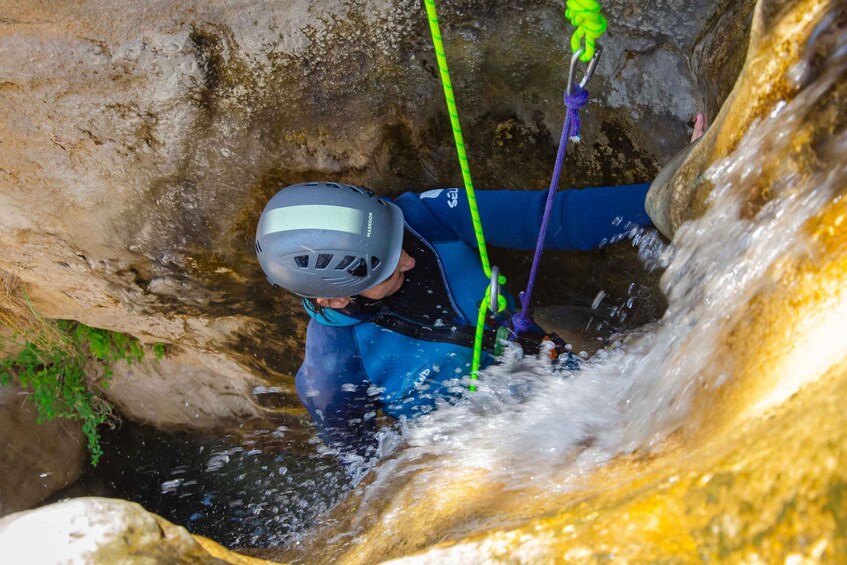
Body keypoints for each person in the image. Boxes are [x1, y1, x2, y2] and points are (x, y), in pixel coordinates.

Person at [255, 179, 654, 462]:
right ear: (336, 299)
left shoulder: (424, 218)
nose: (410, 260)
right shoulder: (330, 372)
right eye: (388, 267)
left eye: (400, 244)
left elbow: (554, 217)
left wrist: (668, 192)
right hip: (495, 459)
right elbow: (369, 475)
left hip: (574, 381)